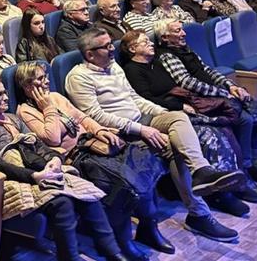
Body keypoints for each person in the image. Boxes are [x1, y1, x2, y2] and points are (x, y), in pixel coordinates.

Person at [0, 75, 146, 261]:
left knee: (84, 191)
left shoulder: (12, 118)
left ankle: (114, 256)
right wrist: (34, 175)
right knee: (62, 202)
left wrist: (54, 160)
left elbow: (37, 145)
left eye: (5, 92)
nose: (6, 97)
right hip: (5, 180)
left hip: (37, 169)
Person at [65, 28, 245, 242]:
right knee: (174, 146)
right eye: (105, 46)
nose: (112, 48)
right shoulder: (78, 77)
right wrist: (141, 129)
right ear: (90, 54)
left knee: (178, 117)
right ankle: (200, 213)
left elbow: (134, 98)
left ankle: (201, 171)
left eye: (110, 43)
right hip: (122, 132)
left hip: (142, 119)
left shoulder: (114, 67)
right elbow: (96, 116)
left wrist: (161, 112)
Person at [14, 62, 168, 261]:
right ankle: (122, 241)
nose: (47, 81)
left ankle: (149, 227)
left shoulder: (56, 97)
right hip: (76, 157)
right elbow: (51, 138)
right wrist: (48, 109)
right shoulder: (25, 111)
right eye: (40, 79)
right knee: (121, 183)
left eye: (46, 76)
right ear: (27, 87)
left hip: (93, 144)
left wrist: (100, 131)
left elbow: (82, 118)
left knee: (142, 166)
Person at [119, 30, 257, 216]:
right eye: (145, 42)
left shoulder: (155, 63)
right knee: (209, 134)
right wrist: (180, 105)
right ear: (132, 48)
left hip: (181, 107)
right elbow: (147, 99)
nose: (151, 44)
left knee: (224, 127)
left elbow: (176, 86)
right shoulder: (132, 70)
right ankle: (219, 194)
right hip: (168, 113)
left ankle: (234, 182)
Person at [152, 21, 257, 187]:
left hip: (219, 95)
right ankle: (245, 168)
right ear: (165, 37)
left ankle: (255, 158)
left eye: (182, 29)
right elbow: (187, 82)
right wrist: (224, 93)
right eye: (178, 31)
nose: (183, 33)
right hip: (205, 101)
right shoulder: (167, 55)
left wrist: (231, 86)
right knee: (246, 119)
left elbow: (208, 71)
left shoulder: (186, 50)